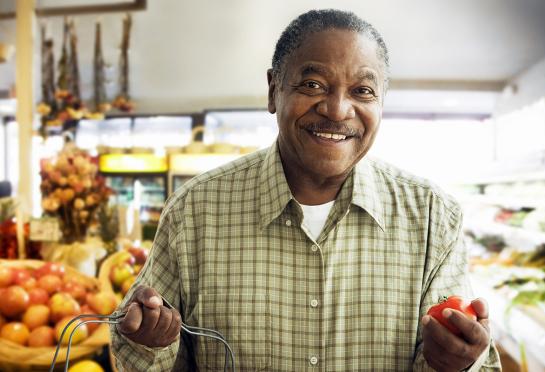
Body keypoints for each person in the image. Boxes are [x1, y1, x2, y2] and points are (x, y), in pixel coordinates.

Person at [110, 9, 502, 371]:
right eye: (313, 84)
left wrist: (457, 361)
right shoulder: (195, 210)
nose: (336, 110)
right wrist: (151, 343)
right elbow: (132, 348)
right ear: (273, 90)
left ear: (381, 101)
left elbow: (473, 357)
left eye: (362, 91)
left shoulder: (433, 217)